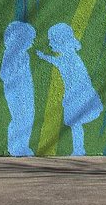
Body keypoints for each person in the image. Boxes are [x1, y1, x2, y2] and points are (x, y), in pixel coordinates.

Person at [36, 22, 102, 155]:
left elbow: (69, 71)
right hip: (77, 97)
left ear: (62, 41)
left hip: (80, 97)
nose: (50, 44)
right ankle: (79, 150)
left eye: (52, 41)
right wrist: (44, 57)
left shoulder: (71, 59)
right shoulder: (69, 57)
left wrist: (44, 57)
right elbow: (57, 62)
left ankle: (79, 150)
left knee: (76, 123)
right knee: (75, 124)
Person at [1, 20, 37, 156]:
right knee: (18, 118)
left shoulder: (25, 55)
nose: (32, 43)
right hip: (14, 92)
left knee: (28, 118)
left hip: (26, 91)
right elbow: (4, 74)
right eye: (30, 39)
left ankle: (24, 146)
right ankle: (15, 147)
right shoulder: (10, 54)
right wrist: (15, 77)